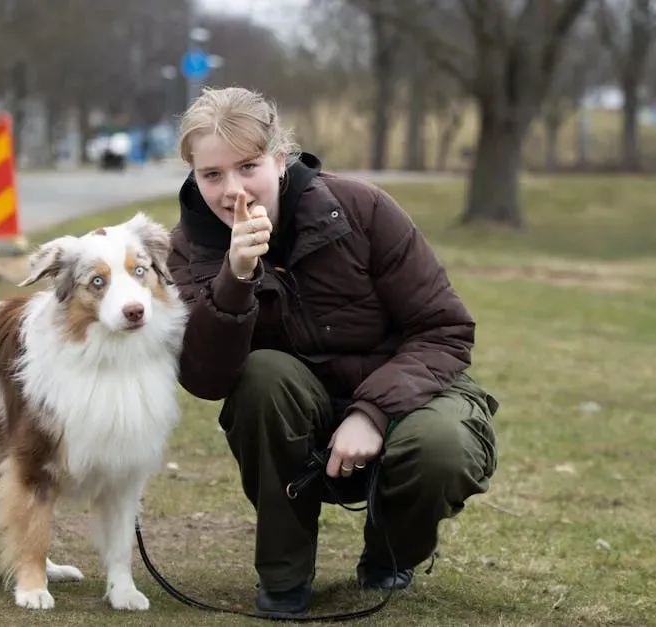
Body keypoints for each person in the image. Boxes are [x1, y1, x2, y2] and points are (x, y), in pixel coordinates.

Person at [166, 86, 499, 617]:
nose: (233, 190)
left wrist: (372, 413)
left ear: (280, 160)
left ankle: (391, 553)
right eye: (212, 175)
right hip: (297, 413)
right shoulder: (189, 249)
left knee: (441, 446)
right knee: (262, 374)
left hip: (409, 396)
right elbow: (206, 379)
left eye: (248, 166)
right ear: (194, 177)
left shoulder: (361, 208)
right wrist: (235, 278)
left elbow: (445, 329)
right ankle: (284, 577)